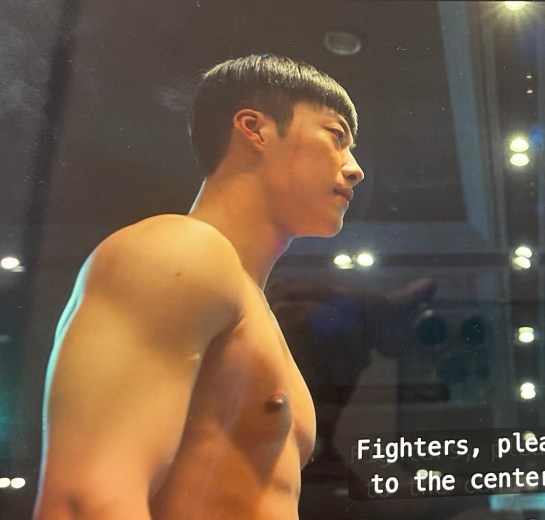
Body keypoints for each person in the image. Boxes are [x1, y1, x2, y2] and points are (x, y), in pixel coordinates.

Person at [33, 54, 364, 519]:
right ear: (255, 129)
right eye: (336, 136)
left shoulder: (248, 302)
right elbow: (85, 501)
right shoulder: (177, 251)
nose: (355, 168)